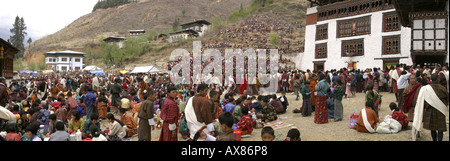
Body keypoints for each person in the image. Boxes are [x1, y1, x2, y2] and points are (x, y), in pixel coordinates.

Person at [412, 73, 449, 141]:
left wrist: (427, 106)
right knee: (440, 128)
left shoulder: (426, 88)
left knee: (433, 128)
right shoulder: (442, 88)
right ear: (438, 79)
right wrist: (444, 105)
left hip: (430, 110)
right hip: (440, 110)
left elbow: (423, 100)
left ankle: (434, 140)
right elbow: (447, 98)